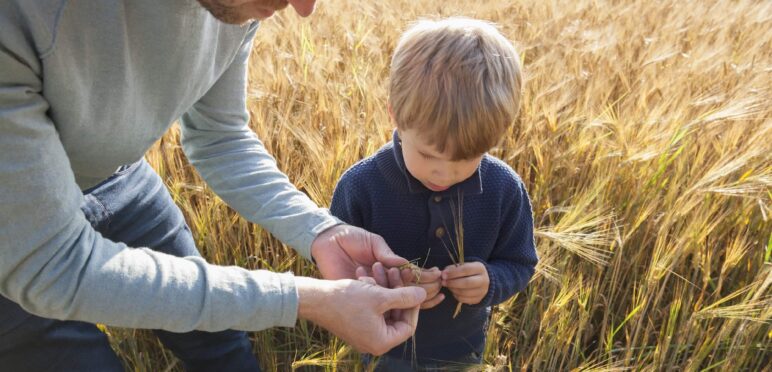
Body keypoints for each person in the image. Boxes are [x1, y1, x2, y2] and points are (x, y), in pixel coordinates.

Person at [0, 1, 426, 371]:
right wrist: (308, 300)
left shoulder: (238, 7)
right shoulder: (22, 15)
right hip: (17, 239)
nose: (304, 8)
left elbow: (218, 136)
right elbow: (50, 263)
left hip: (124, 180)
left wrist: (321, 232)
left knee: (222, 344)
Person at [330, 17, 539, 370]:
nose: (444, 172)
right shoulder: (362, 186)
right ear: (396, 115)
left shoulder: (503, 189)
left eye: (466, 158)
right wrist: (389, 287)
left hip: (462, 350)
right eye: (427, 155)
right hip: (385, 347)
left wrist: (491, 281)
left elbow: (520, 263)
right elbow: (338, 270)